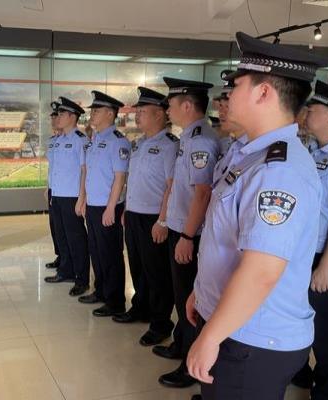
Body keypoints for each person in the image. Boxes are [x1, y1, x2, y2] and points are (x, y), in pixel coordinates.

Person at [186, 31, 328, 400]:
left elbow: (261, 271)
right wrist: (203, 294)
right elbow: (226, 240)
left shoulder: (277, 170)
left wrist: (211, 336)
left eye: (235, 85)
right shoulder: (249, 153)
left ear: (263, 92)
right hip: (234, 321)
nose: (227, 95)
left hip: (251, 339)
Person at [152, 77, 219, 389]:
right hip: (181, 227)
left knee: (190, 302)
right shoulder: (190, 138)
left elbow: (202, 193)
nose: (167, 110)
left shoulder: (200, 141)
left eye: (171, 104)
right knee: (182, 298)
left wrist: (188, 237)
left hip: (191, 233)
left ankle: (190, 366)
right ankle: (181, 344)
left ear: (188, 106)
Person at [291, 81, 328, 400]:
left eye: (313, 109)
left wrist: (326, 266)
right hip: (303, 251)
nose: (306, 113)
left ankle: (327, 391)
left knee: (326, 325)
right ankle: (300, 372)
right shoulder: (311, 150)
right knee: (297, 314)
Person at [113, 87, 178, 347]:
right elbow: (135, 181)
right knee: (138, 266)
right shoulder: (139, 144)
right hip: (134, 215)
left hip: (153, 218)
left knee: (157, 272)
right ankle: (141, 307)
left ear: (160, 114)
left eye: (142, 111)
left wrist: (163, 220)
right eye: (137, 111)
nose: (137, 116)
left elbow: (171, 187)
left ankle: (161, 323)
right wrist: (127, 210)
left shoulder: (170, 146)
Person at [78, 90, 131, 317]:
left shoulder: (117, 141)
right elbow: (89, 173)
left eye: (97, 111)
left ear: (110, 114)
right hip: (93, 205)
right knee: (97, 252)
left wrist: (111, 208)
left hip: (108, 207)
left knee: (110, 254)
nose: (92, 114)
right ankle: (100, 291)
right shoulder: (95, 139)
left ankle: (115, 300)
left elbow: (120, 177)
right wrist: (84, 200)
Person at [44, 97, 91, 296]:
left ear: (72, 117)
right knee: (62, 236)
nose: (58, 117)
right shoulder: (59, 140)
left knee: (76, 239)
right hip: (57, 194)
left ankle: (82, 279)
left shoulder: (81, 140)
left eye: (62, 114)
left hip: (72, 196)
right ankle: (66, 271)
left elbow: (85, 171)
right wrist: (50, 190)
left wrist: (82, 198)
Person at [45, 101, 62, 270]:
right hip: (53, 188)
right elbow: (52, 167)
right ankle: (60, 255)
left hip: (66, 191)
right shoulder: (52, 141)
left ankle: (67, 258)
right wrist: (47, 186)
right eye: (53, 116)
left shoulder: (76, 140)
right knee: (54, 225)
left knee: (64, 228)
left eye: (56, 116)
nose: (53, 119)